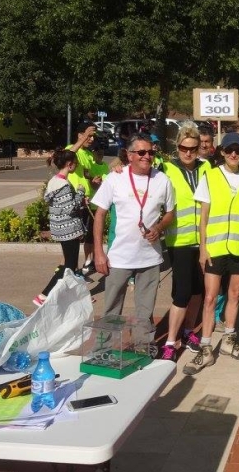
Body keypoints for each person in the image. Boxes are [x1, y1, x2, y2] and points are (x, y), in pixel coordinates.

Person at [183, 132, 239, 375]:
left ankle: (229, 339)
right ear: (222, 151)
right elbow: (203, 217)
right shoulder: (210, 176)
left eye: (238, 150)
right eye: (229, 150)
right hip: (215, 247)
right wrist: (203, 247)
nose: (233, 154)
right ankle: (206, 348)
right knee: (210, 298)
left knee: (236, 294)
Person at [91, 134, 176, 344]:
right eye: (141, 152)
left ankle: (142, 348)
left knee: (145, 311)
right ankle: (105, 349)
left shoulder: (162, 180)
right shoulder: (115, 178)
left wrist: (159, 227)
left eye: (151, 152)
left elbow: (170, 213)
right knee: (112, 309)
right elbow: (99, 215)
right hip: (119, 257)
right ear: (130, 155)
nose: (147, 156)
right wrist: (99, 252)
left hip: (150, 258)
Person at [158, 126, 211, 361]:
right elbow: (139, 173)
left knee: (198, 290)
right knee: (182, 292)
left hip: (204, 240)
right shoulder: (166, 169)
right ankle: (171, 341)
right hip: (179, 240)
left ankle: (189, 332)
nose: (188, 153)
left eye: (193, 148)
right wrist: (118, 167)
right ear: (177, 147)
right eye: (183, 148)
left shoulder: (207, 167)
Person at [33, 149, 87, 306]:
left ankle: (73, 296)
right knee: (69, 266)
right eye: (76, 163)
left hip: (62, 228)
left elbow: (61, 205)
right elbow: (70, 208)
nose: (77, 166)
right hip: (68, 229)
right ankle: (44, 295)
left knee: (71, 266)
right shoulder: (63, 185)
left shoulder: (54, 181)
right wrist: (80, 193)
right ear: (69, 164)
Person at [67, 122, 101, 276]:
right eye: (89, 136)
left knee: (89, 235)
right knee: (73, 240)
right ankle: (68, 272)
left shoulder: (88, 154)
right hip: (75, 202)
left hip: (88, 201)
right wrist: (84, 137)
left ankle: (87, 264)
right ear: (80, 135)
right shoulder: (71, 148)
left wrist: (94, 182)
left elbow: (87, 176)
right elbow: (67, 156)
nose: (91, 139)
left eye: (93, 136)